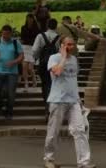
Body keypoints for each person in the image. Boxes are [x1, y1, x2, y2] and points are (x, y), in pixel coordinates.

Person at [43, 36, 93, 168]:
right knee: (53, 131)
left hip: (73, 101)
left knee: (80, 130)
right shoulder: (54, 58)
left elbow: (73, 81)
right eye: (68, 45)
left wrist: (79, 99)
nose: (71, 47)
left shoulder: (75, 59)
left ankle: (83, 162)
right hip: (58, 100)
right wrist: (63, 57)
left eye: (73, 45)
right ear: (62, 45)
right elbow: (58, 72)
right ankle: (49, 159)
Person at [0, 25, 24, 120]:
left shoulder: (16, 43)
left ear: (10, 34)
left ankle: (9, 111)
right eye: (3, 34)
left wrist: (14, 62)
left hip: (12, 73)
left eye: (7, 34)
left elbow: (21, 56)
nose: (5, 36)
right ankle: (0, 104)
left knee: (10, 93)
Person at [32, 18, 60, 106]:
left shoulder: (40, 36)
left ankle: (46, 103)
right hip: (55, 64)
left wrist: (37, 58)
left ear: (47, 25)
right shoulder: (59, 37)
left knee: (45, 83)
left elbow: (35, 50)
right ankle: (53, 103)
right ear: (56, 26)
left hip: (43, 63)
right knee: (53, 83)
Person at [20, 13, 39, 92]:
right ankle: (26, 82)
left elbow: (37, 39)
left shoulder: (36, 28)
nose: (29, 20)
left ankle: (34, 79)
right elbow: (22, 37)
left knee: (30, 68)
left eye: (31, 19)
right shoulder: (23, 27)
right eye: (28, 19)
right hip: (25, 47)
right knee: (24, 66)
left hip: (33, 48)